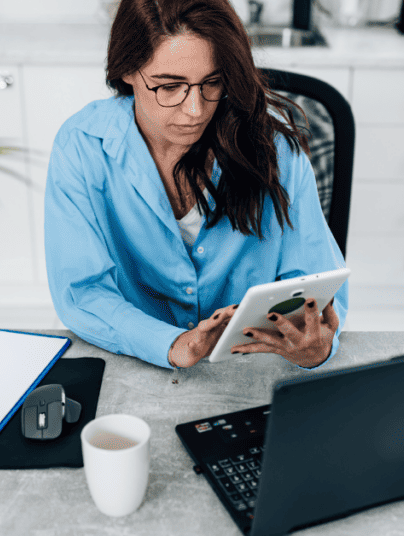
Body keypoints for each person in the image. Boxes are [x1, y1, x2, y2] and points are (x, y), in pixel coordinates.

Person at [45, 0, 348, 370]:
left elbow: (315, 284)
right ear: (126, 70)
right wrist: (171, 343)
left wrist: (315, 345)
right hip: (135, 365)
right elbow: (82, 291)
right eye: (169, 87)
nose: (195, 110)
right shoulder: (83, 145)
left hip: (249, 369)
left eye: (213, 83)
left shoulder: (277, 151)